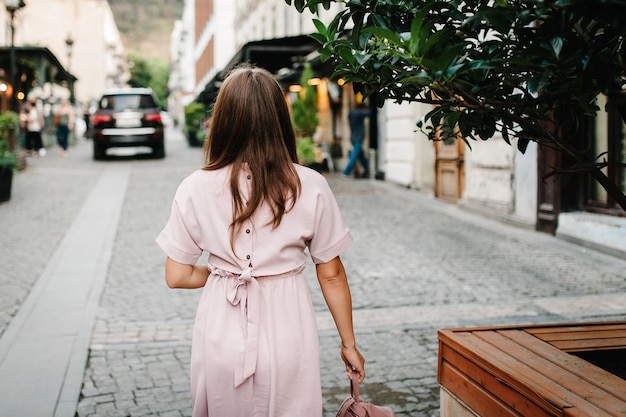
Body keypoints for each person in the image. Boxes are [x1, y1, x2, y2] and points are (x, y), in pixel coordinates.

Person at [156, 64, 365, 417]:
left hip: (221, 327)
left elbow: (177, 276)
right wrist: (349, 345)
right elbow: (331, 274)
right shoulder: (310, 185)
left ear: (222, 121)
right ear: (279, 119)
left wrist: (222, 273)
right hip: (289, 327)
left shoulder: (194, 187)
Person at [342, 101, 371, 178]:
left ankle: (367, 170)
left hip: (353, 137)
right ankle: (346, 171)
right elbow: (369, 113)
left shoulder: (351, 113)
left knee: (361, 155)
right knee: (354, 155)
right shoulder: (359, 113)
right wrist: (367, 106)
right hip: (358, 137)